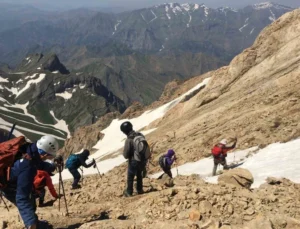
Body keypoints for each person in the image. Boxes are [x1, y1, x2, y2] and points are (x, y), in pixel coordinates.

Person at [2, 135, 59, 229]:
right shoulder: (28, 166)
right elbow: (22, 198)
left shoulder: (30, 150)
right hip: (8, 186)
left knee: (31, 201)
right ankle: (31, 224)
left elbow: (39, 164)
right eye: (50, 156)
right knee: (27, 201)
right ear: (44, 154)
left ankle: (35, 222)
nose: (49, 158)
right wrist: (31, 224)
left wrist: (52, 166)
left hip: (14, 179)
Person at [121, 121, 149, 197]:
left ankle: (129, 192)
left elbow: (126, 155)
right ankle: (140, 189)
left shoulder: (129, 139)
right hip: (143, 160)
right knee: (139, 174)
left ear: (125, 131)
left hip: (134, 161)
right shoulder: (140, 135)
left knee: (130, 176)